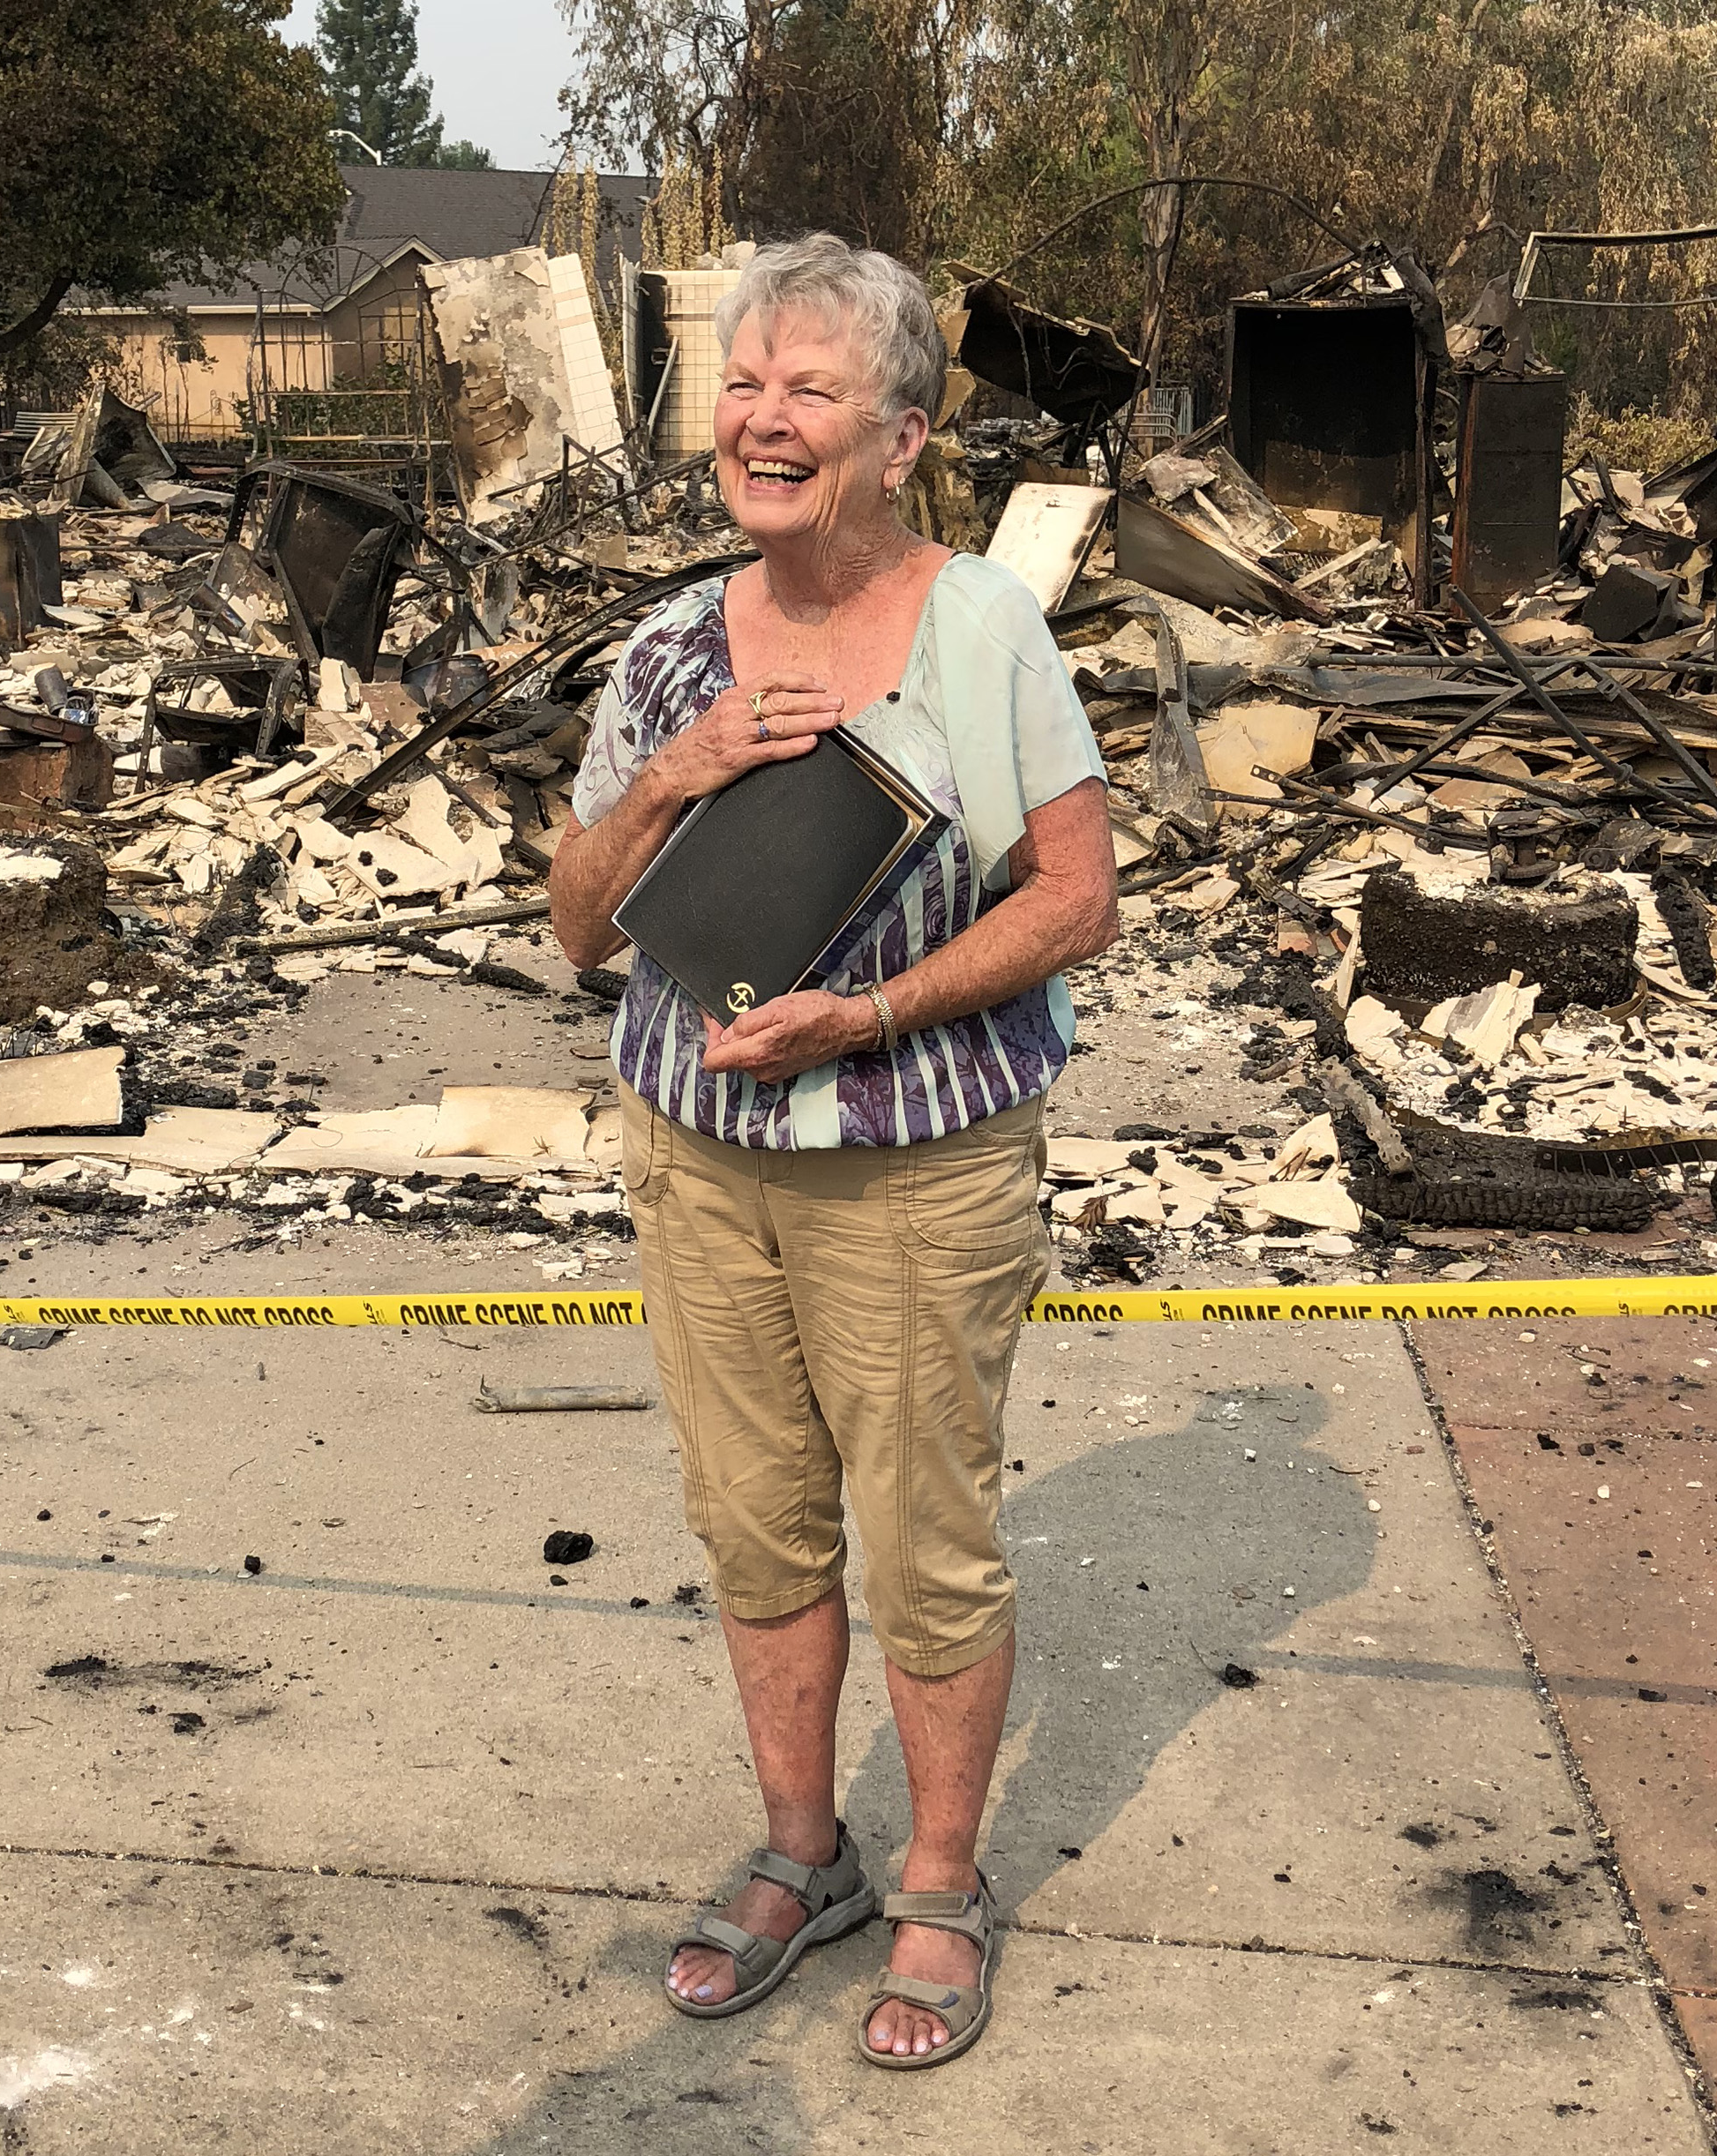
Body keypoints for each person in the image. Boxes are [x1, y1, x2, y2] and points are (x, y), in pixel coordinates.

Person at [549, 232, 1118, 2069]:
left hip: (915, 1162)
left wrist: (864, 1018)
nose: (761, 418)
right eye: (741, 382)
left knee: (929, 1543)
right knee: (755, 1523)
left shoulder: (983, 628)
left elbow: (1079, 898)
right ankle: (813, 1856)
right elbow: (575, 931)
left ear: (902, 434)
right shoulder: (663, 651)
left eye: (808, 388)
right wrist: (669, 775)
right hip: (701, 1155)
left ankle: (942, 1884)